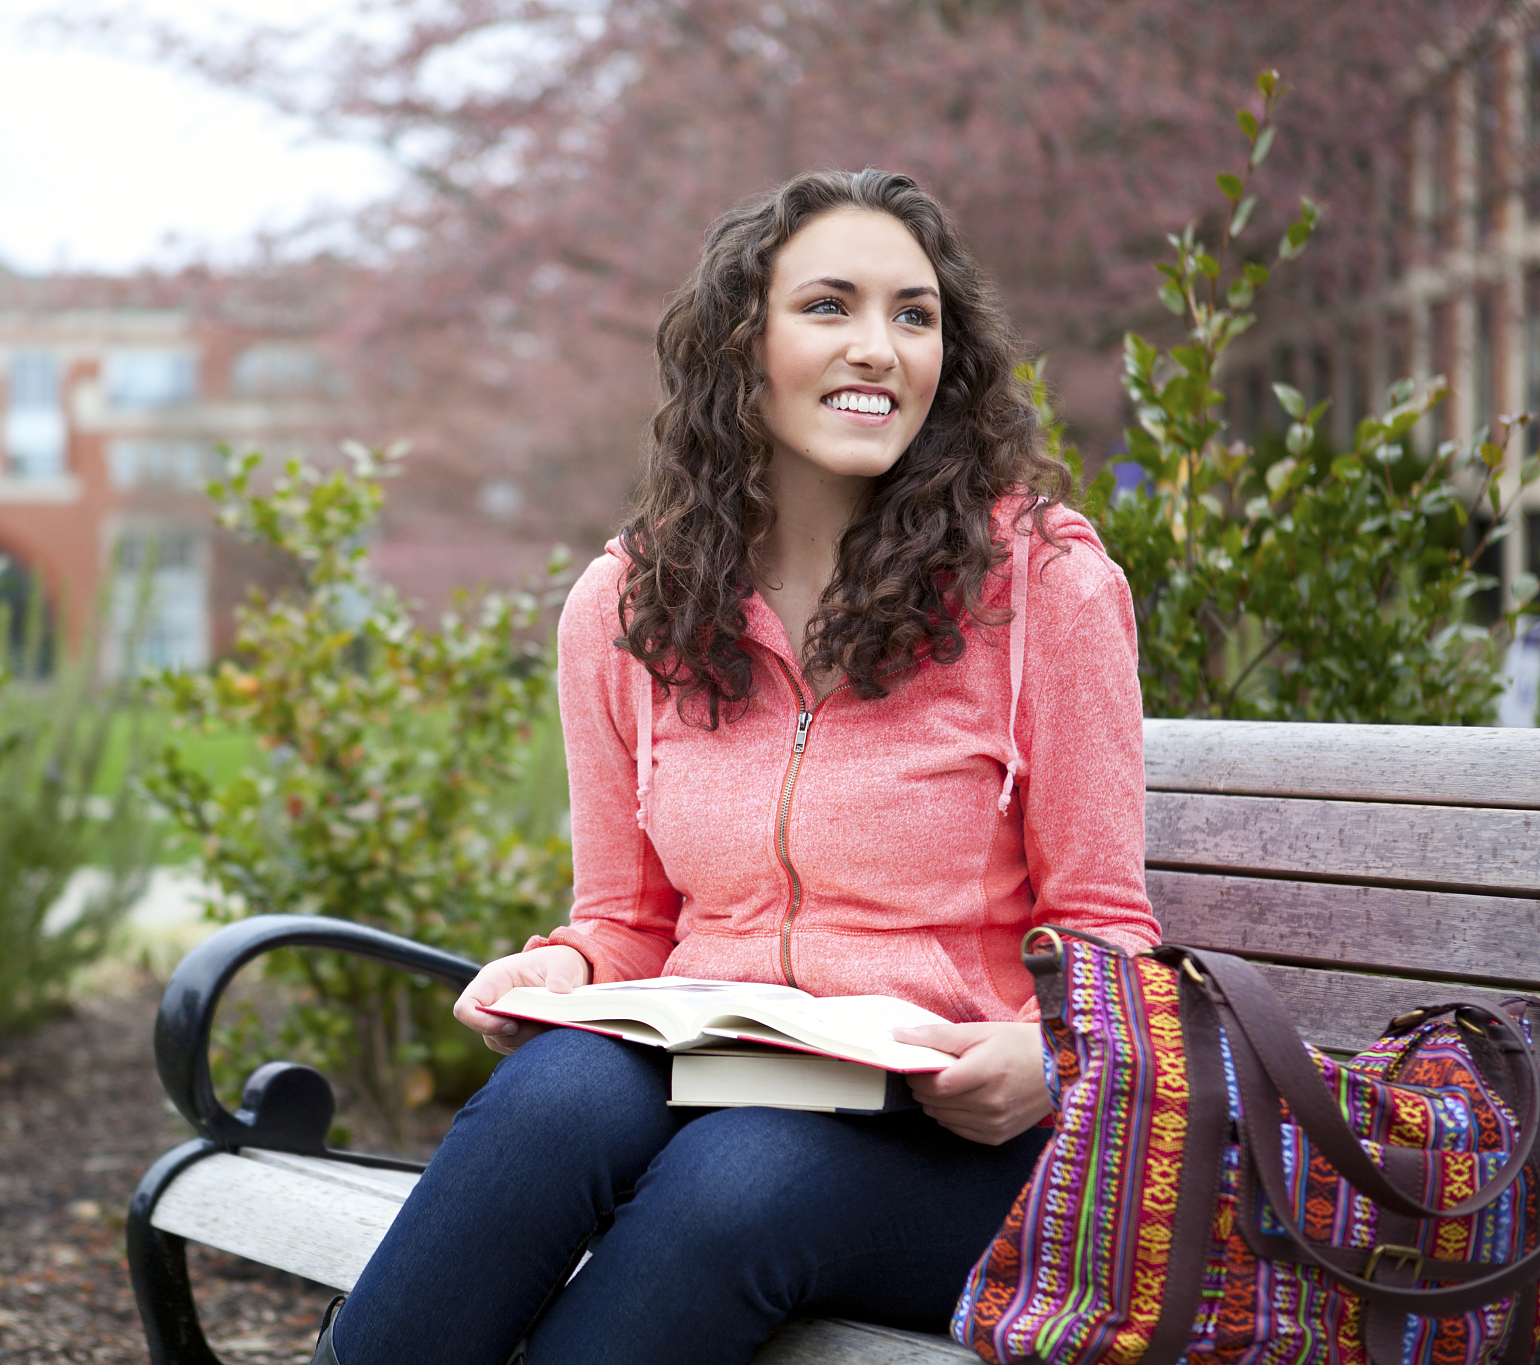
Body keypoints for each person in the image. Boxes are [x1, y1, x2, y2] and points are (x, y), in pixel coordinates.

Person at [313, 168, 1159, 1365]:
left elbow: (1104, 927)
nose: (878, 348)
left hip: (960, 1141)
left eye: (913, 316)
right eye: (828, 306)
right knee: (550, 1099)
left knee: (734, 1175)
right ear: (738, 346)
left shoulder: (1040, 588)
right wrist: (560, 968)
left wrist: (1047, 1049)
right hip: (714, 1069)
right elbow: (625, 921)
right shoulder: (628, 603)